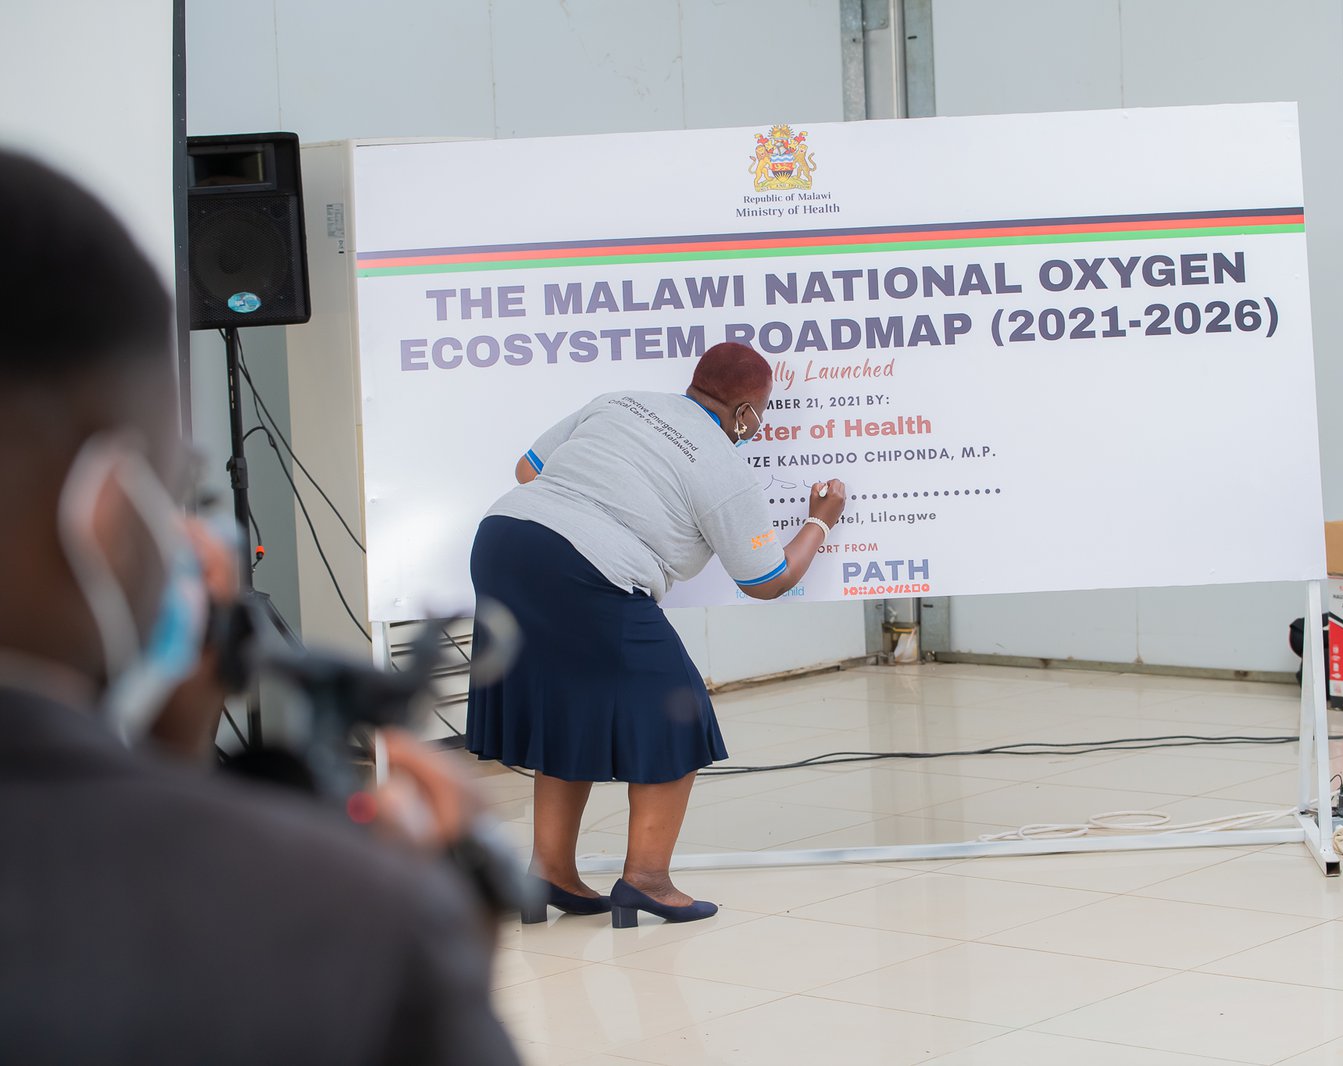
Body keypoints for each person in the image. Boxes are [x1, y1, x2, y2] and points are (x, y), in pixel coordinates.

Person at [0, 149, 520, 1063]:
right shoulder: (328, 925)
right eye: (180, 488)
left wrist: (167, 759)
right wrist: (426, 941)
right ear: (113, 513)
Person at [466, 342, 846, 927]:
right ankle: (646, 881)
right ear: (745, 411)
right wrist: (821, 520)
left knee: (566, 707)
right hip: (584, 569)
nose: (758, 424)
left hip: (503, 540)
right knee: (679, 713)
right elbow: (767, 579)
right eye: (761, 412)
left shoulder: (622, 400)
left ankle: (550, 873)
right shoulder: (723, 466)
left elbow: (528, 470)